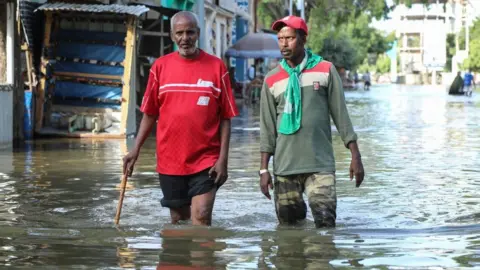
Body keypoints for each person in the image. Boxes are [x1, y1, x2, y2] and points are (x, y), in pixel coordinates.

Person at [122, 11, 239, 226]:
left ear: (198, 34)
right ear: (172, 36)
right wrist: (135, 150)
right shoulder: (160, 67)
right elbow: (150, 113)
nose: (185, 38)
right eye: (180, 33)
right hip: (170, 160)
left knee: (202, 217)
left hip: (206, 160)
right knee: (178, 220)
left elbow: (225, 118)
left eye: (190, 32)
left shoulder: (216, 67)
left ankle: (204, 259)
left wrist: (223, 160)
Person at [259, 15, 365, 228]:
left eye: (289, 38)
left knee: (326, 224)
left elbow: (341, 115)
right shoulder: (272, 79)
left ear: (303, 39)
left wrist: (355, 155)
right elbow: (267, 128)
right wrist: (263, 170)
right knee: (290, 230)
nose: (284, 43)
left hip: (320, 165)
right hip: (285, 167)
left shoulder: (325, 70)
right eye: (280, 39)